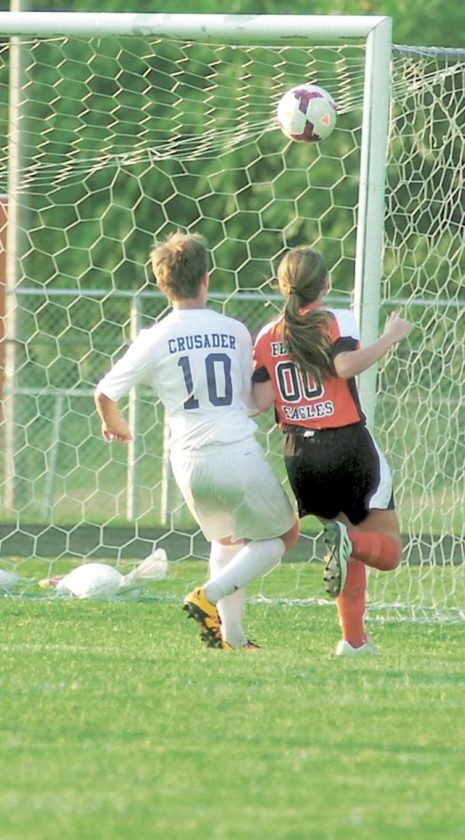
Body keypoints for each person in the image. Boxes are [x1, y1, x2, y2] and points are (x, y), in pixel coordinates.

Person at [94, 231, 299, 650]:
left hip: (188, 463)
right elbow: (250, 402)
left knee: (226, 541)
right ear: (207, 277)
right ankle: (208, 594)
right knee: (284, 536)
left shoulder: (155, 338)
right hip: (235, 452)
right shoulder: (234, 331)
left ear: (160, 284)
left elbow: (104, 393)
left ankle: (233, 638)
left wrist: (115, 424)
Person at [252, 246, 412, 656]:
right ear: (325, 285)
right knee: (386, 550)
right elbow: (344, 367)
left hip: (299, 456)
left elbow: (260, 400)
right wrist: (390, 337)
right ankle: (350, 548)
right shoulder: (335, 319)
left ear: (281, 286)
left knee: (345, 540)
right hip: (346, 445)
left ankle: (354, 641)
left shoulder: (267, 335)